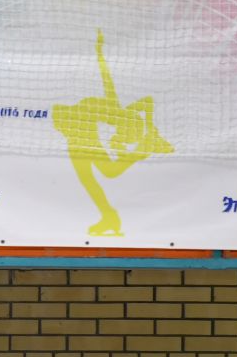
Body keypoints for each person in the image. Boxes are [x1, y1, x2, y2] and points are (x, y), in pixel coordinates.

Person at [51, 30, 174, 238]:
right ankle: (109, 216)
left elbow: (135, 98)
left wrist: (146, 133)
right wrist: (99, 52)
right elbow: (111, 82)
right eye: (125, 139)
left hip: (81, 142)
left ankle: (110, 215)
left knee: (107, 173)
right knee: (96, 177)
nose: (119, 141)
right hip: (77, 139)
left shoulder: (112, 114)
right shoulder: (116, 110)